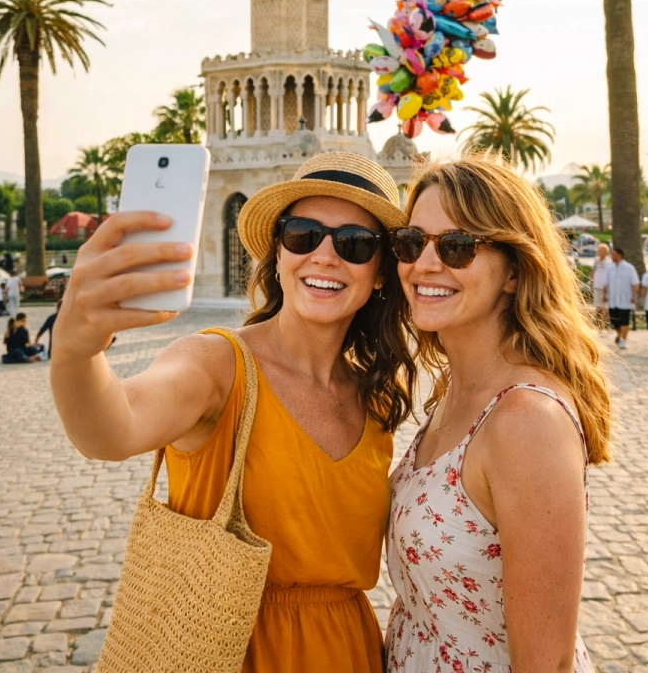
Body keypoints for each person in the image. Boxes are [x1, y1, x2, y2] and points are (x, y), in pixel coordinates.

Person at [51, 152, 416, 673]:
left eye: (356, 244)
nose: (325, 256)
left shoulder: (374, 396)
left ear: (381, 273)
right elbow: (113, 429)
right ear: (278, 254)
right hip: (223, 647)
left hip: (348, 650)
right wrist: (75, 351)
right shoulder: (217, 363)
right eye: (302, 235)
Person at [384, 155, 609, 673]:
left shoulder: (524, 420)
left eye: (458, 247)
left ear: (513, 272)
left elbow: (545, 663)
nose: (424, 264)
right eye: (411, 242)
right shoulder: (453, 392)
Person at [604, 247, 640, 349]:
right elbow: (606, 283)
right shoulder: (609, 268)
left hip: (625, 299)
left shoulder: (629, 268)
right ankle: (619, 335)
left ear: (620, 255)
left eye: (614, 254)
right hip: (613, 299)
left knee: (624, 320)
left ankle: (623, 339)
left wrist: (634, 296)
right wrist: (604, 295)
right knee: (615, 321)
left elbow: (635, 284)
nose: (612, 256)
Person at [590, 242, 612, 323]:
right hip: (597, 286)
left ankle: (611, 324)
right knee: (598, 307)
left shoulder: (609, 262)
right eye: (599, 251)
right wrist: (591, 281)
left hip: (606, 287)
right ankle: (599, 325)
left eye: (602, 251)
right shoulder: (596, 260)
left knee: (606, 307)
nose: (600, 253)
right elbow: (593, 270)